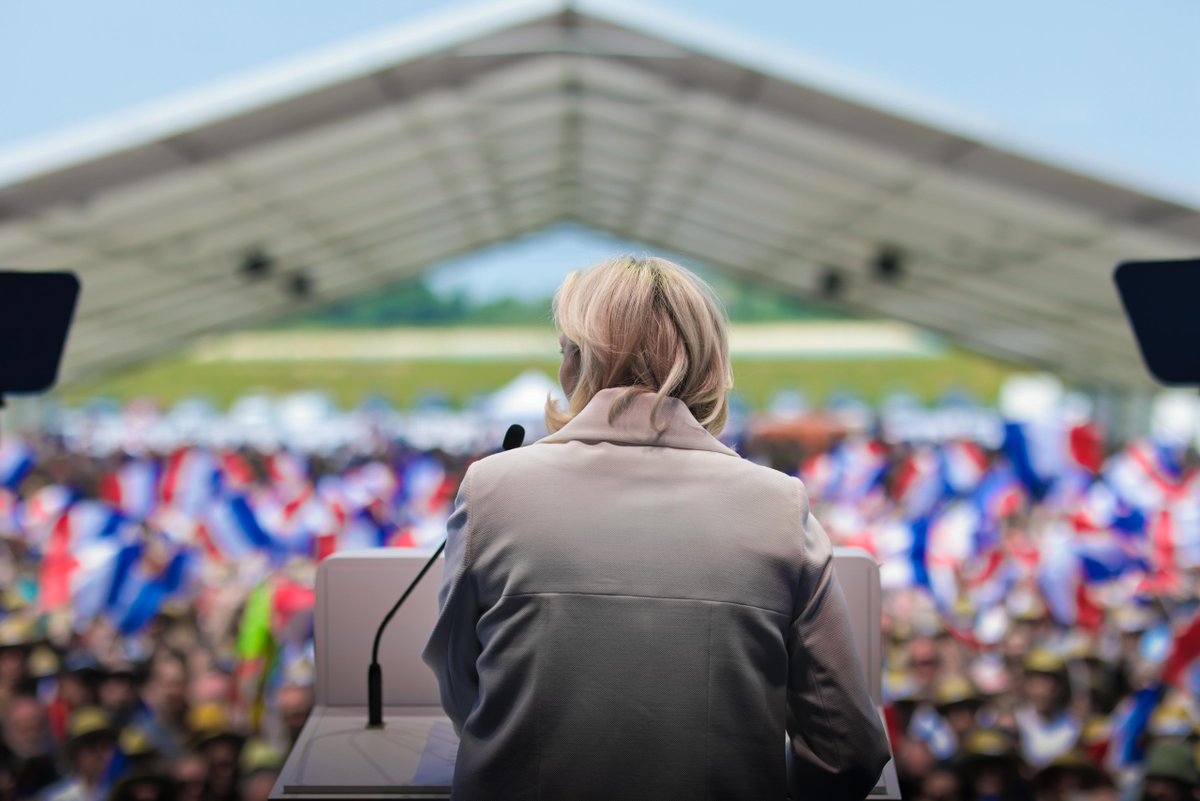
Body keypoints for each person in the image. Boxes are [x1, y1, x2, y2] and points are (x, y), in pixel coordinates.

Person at [423, 256, 890, 800]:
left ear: (576, 364)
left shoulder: (490, 489)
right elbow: (848, 752)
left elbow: (465, 692)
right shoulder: (778, 504)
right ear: (711, 365)